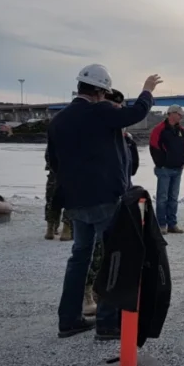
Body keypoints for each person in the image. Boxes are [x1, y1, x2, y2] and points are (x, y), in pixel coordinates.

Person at [47, 64, 161, 341]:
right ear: (100, 92)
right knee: (113, 257)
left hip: (75, 201)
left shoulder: (59, 120)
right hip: (104, 199)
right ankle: (107, 323)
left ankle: (68, 320)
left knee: (79, 257)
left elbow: (53, 161)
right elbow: (136, 113)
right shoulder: (100, 111)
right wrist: (147, 90)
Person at [80, 88, 143, 317]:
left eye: (119, 106)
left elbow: (131, 167)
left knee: (113, 251)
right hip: (100, 198)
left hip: (121, 197)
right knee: (96, 251)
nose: (117, 108)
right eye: (113, 104)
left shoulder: (125, 138)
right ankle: (88, 293)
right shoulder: (98, 133)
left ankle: (108, 299)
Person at [149, 104, 184, 234]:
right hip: (164, 169)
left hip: (178, 168)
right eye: (179, 114)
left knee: (173, 198)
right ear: (171, 114)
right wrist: (161, 163)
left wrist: (183, 162)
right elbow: (154, 147)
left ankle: (172, 224)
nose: (181, 116)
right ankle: (161, 225)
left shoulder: (181, 130)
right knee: (162, 198)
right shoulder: (159, 129)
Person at [43, 146, 72, 241]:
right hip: (71, 169)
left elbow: (48, 154)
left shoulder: (54, 136)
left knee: (51, 197)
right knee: (70, 198)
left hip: (55, 169)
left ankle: (50, 228)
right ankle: (66, 229)